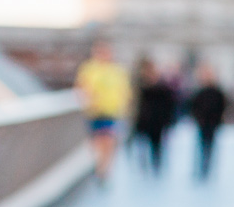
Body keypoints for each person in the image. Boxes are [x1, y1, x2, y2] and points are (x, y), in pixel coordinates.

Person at [74, 40, 130, 183]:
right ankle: (100, 166)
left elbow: (124, 91)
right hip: (93, 111)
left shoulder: (117, 70)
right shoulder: (89, 69)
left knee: (109, 141)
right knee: (97, 142)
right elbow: (81, 87)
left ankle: (104, 169)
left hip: (111, 111)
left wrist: (124, 107)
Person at [132, 60, 179, 175]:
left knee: (156, 145)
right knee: (142, 145)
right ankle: (144, 166)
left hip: (157, 122)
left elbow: (169, 105)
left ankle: (156, 165)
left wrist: (168, 121)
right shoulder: (140, 87)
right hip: (143, 121)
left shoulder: (163, 89)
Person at [187, 66, 229, 178]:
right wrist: (197, 118)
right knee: (201, 146)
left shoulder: (217, 92)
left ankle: (206, 167)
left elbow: (222, 106)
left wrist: (218, 118)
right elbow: (194, 106)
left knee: (210, 146)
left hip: (212, 123)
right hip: (202, 123)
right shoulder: (200, 91)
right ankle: (200, 168)